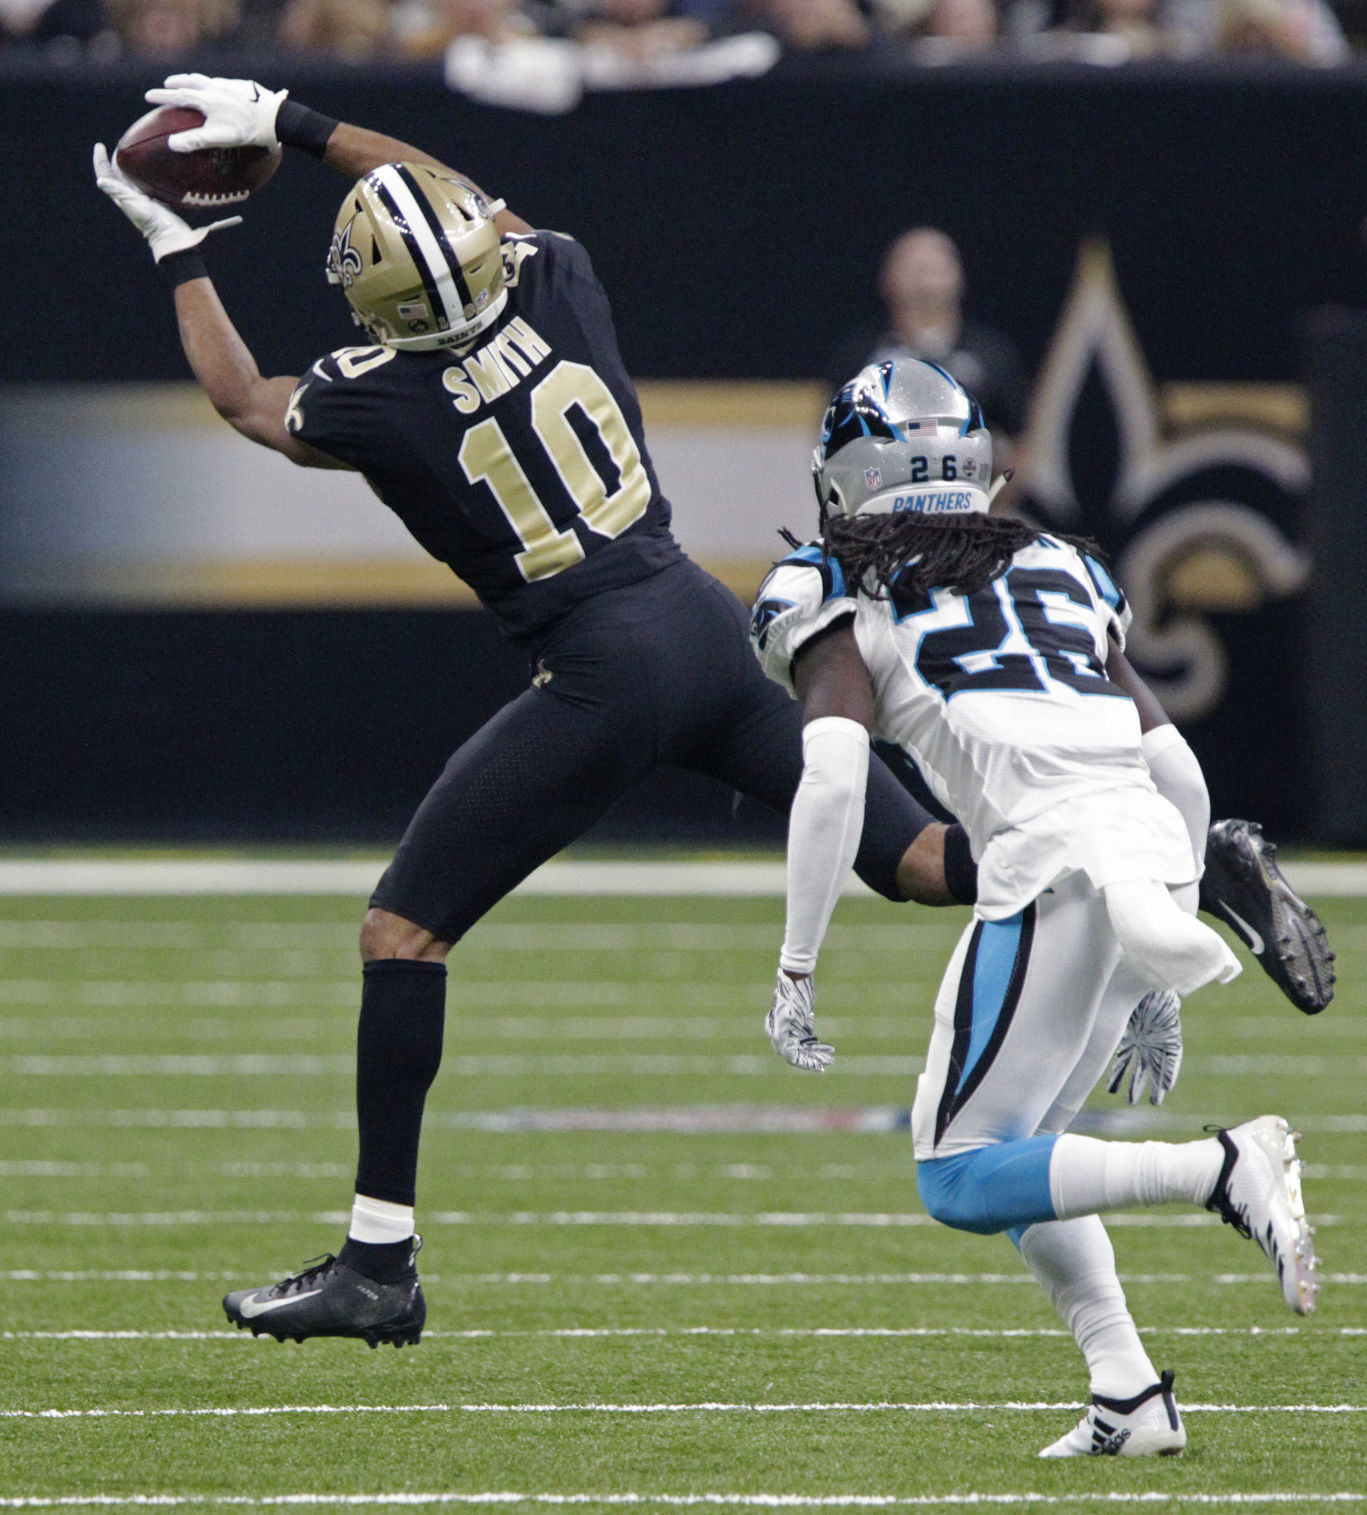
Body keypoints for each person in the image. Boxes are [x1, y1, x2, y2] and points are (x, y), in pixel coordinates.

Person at [92, 78, 1329, 1351]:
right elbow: (461, 199)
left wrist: (176, 244)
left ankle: (378, 1260)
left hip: (595, 667)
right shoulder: (557, 279)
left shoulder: (383, 397)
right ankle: (1172, 856)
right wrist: (295, 121)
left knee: (400, 934)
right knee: (914, 864)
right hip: (690, 613)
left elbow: (244, 397)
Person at [748, 357, 1320, 1457]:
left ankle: (1218, 1167)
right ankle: (1127, 1398)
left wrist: (796, 963)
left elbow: (828, 780)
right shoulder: (1057, 563)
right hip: (1136, 852)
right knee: (1028, 1151)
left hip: (1047, 863)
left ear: (849, 475)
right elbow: (1181, 778)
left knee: (958, 1174)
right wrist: (1157, 952)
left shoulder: (838, 586)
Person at [824, 228, 1028, 465]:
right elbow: (830, 438)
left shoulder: (992, 355)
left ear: (959, 276)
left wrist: (992, 499)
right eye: (917, 271)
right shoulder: (859, 355)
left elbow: (1021, 442)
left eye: (938, 270)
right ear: (888, 279)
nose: (928, 283)